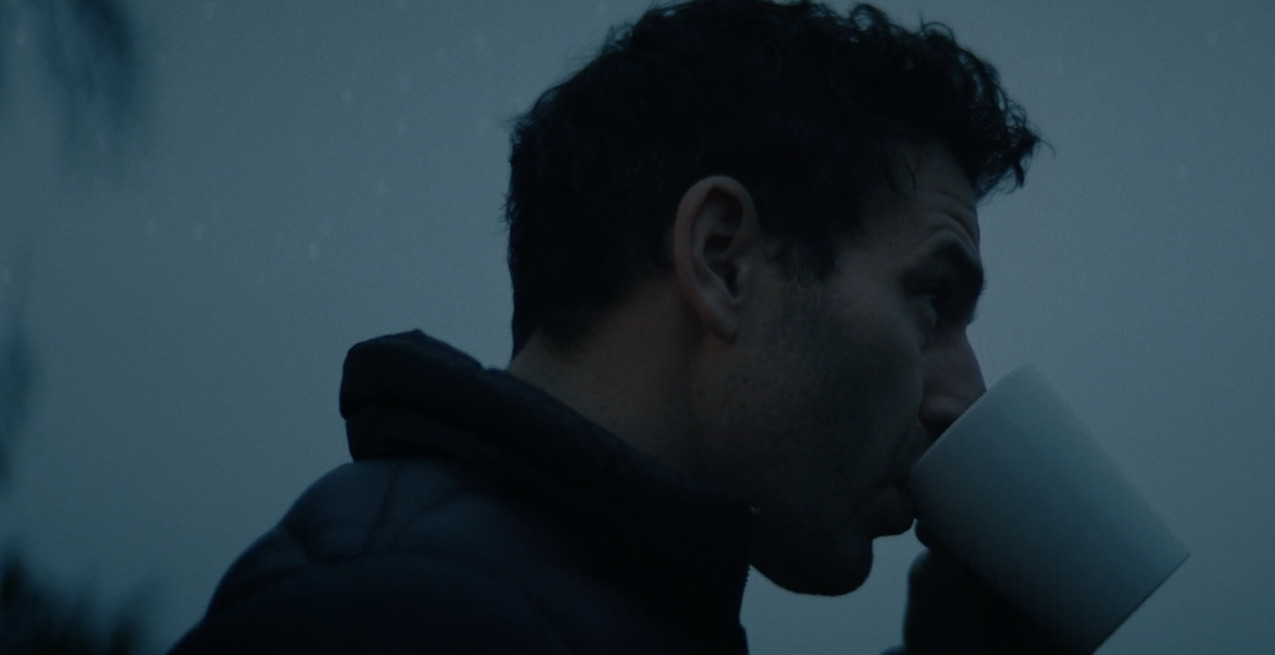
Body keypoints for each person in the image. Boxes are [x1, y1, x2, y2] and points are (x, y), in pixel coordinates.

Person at [170, 0, 1058, 652]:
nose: (963, 396)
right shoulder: (391, 622)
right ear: (721, 263)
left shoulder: (506, 603)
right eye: (933, 300)